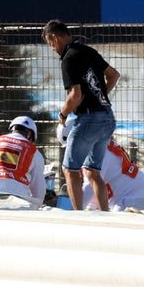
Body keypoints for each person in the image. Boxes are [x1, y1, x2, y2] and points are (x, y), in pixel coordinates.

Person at [43, 20, 120, 211]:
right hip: (107, 117)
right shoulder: (88, 51)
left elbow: (75, 95)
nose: (52, 49)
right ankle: (105, 213)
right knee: (93, 172)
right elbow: (114, 75)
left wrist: (62, 114)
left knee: (70, 169)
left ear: (54, 37)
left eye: (50, 43)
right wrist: (100, 96)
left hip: (88, 119)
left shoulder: (68, 58)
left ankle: (78, 217)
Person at [61, 128, 144, 211]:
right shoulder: (101, 145)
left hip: (132, 197)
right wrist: (90, 207)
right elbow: (95, 189)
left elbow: (90, 186)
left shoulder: (93, 153)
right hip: (138, 193)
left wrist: (72, 211)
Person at [0, 116, 45, 205]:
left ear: (12, 128)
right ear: (29, 134)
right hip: (17, 201)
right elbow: (39, 192)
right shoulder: (34, 152)